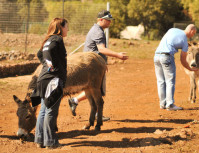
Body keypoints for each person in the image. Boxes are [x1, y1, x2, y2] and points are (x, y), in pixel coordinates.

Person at [68, 10, 128, 119]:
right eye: (108, 20)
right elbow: (101, 49)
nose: (110, 22)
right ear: (101, 20)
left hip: (91, 65)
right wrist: (118, 55)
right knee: (96, 90)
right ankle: (94, 113)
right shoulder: (98, 31)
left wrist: (103, 63)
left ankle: (75, 101)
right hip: (92, 67)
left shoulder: (97, 30)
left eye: (110, 20)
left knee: (93, 89)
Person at [33, 18, 68, 149]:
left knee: (44, 109)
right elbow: (50, 54)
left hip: (42, 79)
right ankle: (51, 142)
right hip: (53, 80)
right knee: (51, 111)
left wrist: (47, 65)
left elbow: (39, 53)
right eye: (66, 27)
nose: (67, 29)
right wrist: (55, 69)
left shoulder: (48, 39)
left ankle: (40, 139)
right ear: (60, 27)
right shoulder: (58, 40)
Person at [154, 24, 198, 111]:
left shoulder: (172, 29)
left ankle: (162, 104)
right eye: (194, 33)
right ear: (191, 31)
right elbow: (182, 59)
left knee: (161, 81)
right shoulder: (184, 40)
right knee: (170, 81)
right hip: (167, 57)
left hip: (156, 56)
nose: (193, 35)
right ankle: (170, 105)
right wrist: (190, 68)